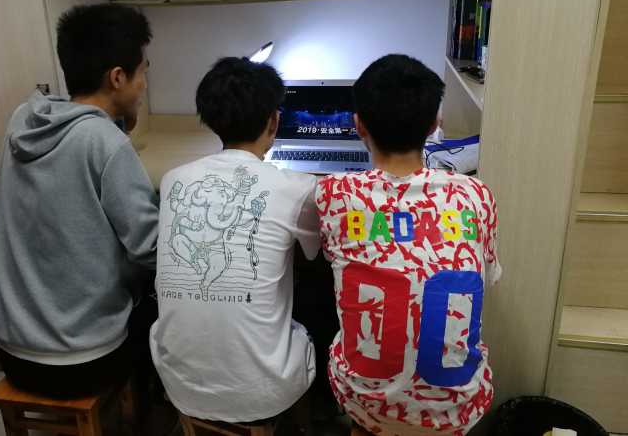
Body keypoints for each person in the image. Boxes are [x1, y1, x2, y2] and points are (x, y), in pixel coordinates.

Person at [316, 54, 501, 435]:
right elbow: (491, 277)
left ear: (358, 125)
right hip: (457, 413)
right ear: (435, 124)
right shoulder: (477, 194)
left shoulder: (332, 193)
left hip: (367, 406)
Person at [0, 4, 159, 398]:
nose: (144, 85)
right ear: (117, 77)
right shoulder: (104, 142)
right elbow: (149, 248)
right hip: (84, 361)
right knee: (165, 302)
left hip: (12, 352)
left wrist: (118, 124)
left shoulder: (23, 121)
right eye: (143, 72)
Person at [150, 57, 320, 422]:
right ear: (273, 121)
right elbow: (314, 251)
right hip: (265, 395)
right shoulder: (298, 188)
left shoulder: (173, 179)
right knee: (313, 291)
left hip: (179, 387)